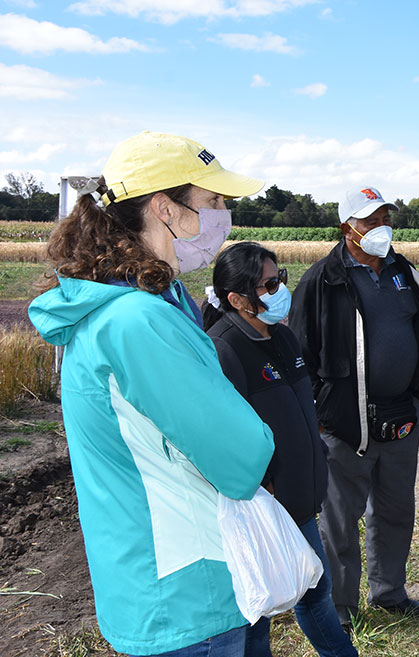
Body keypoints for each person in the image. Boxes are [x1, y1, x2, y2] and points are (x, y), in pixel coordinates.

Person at [27, 131, 274, 656]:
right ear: (165, 208)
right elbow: (242, 455)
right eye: (213, 202)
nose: (223, 217)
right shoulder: (138, 321)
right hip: (186, 588)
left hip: (161, 575)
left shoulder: (144, 299)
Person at [289, 186, 419, 628]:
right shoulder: (321, 280)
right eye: (372, 220)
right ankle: (341, 610)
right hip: (346, 423)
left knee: (395, 508)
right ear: (347, 229)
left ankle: (390, 592)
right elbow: (300, 354)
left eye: (386, 218)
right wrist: (320, 413)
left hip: (402, 413)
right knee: (339, 519)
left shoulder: (402, 270)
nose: (382, 227)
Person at [202, 243, 357, 657]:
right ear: (237, 299)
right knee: (259, 610)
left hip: (301, 495)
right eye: (269, 285)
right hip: (264, 504)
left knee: (314, 588)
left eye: (280, 279)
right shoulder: (224, 349)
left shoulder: (284, 338)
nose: (280, 290)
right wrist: (263, 484)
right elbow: (223, 434)